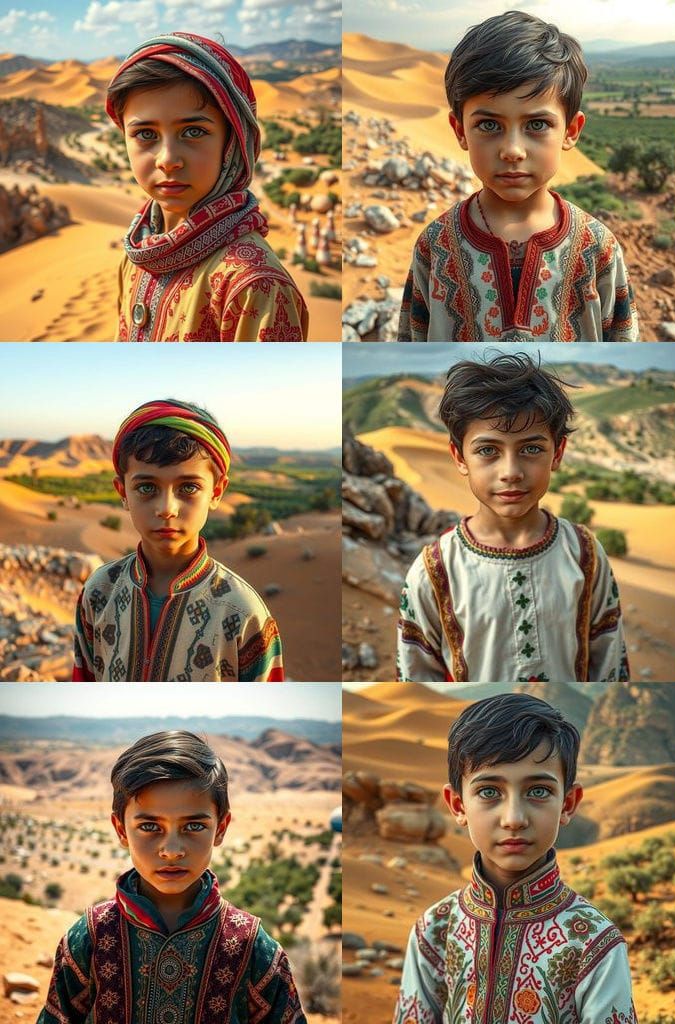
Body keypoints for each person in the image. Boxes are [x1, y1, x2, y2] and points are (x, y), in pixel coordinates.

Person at [393, 693, 638, 1023]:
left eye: (538, 791)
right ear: (457, 805)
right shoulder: (435, 930)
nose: (513, 818)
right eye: (489, 792)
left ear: (567, 804)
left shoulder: (594, 942)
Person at [397, 10, 639, 341]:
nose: (512, 150)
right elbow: (411, 340)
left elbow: (623, 345)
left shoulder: (598, 247)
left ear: (570, 131)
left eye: (537, 125)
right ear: (460, 130)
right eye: (489, 125)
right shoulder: (435, 245)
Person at [39, 730, 306, 1024]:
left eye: (193, 827)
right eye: (150, 827)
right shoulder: (90, 937)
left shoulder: (251, 947)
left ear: (220, 828)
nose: (171, 850)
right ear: (120, 830)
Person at [396, 353, 629, 682]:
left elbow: (610, 668)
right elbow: (415, 682)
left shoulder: (584, 554)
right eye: (488, 450)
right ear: (459, 457)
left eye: (531, 449)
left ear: (557, 454)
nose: (511, 472)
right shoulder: (435, 569)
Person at [106, 32, 308, 341]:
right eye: (146, 134)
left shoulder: (255, 285)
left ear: (233, 142)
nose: (168, 159)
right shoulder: (138, 251)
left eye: (194, 131)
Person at [72, 399, 285, 681]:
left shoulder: (244, 612)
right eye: (146, 487)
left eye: (188, 487)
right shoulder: (99, 592)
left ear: (217, 492)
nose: (167, 508)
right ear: (122, 491)